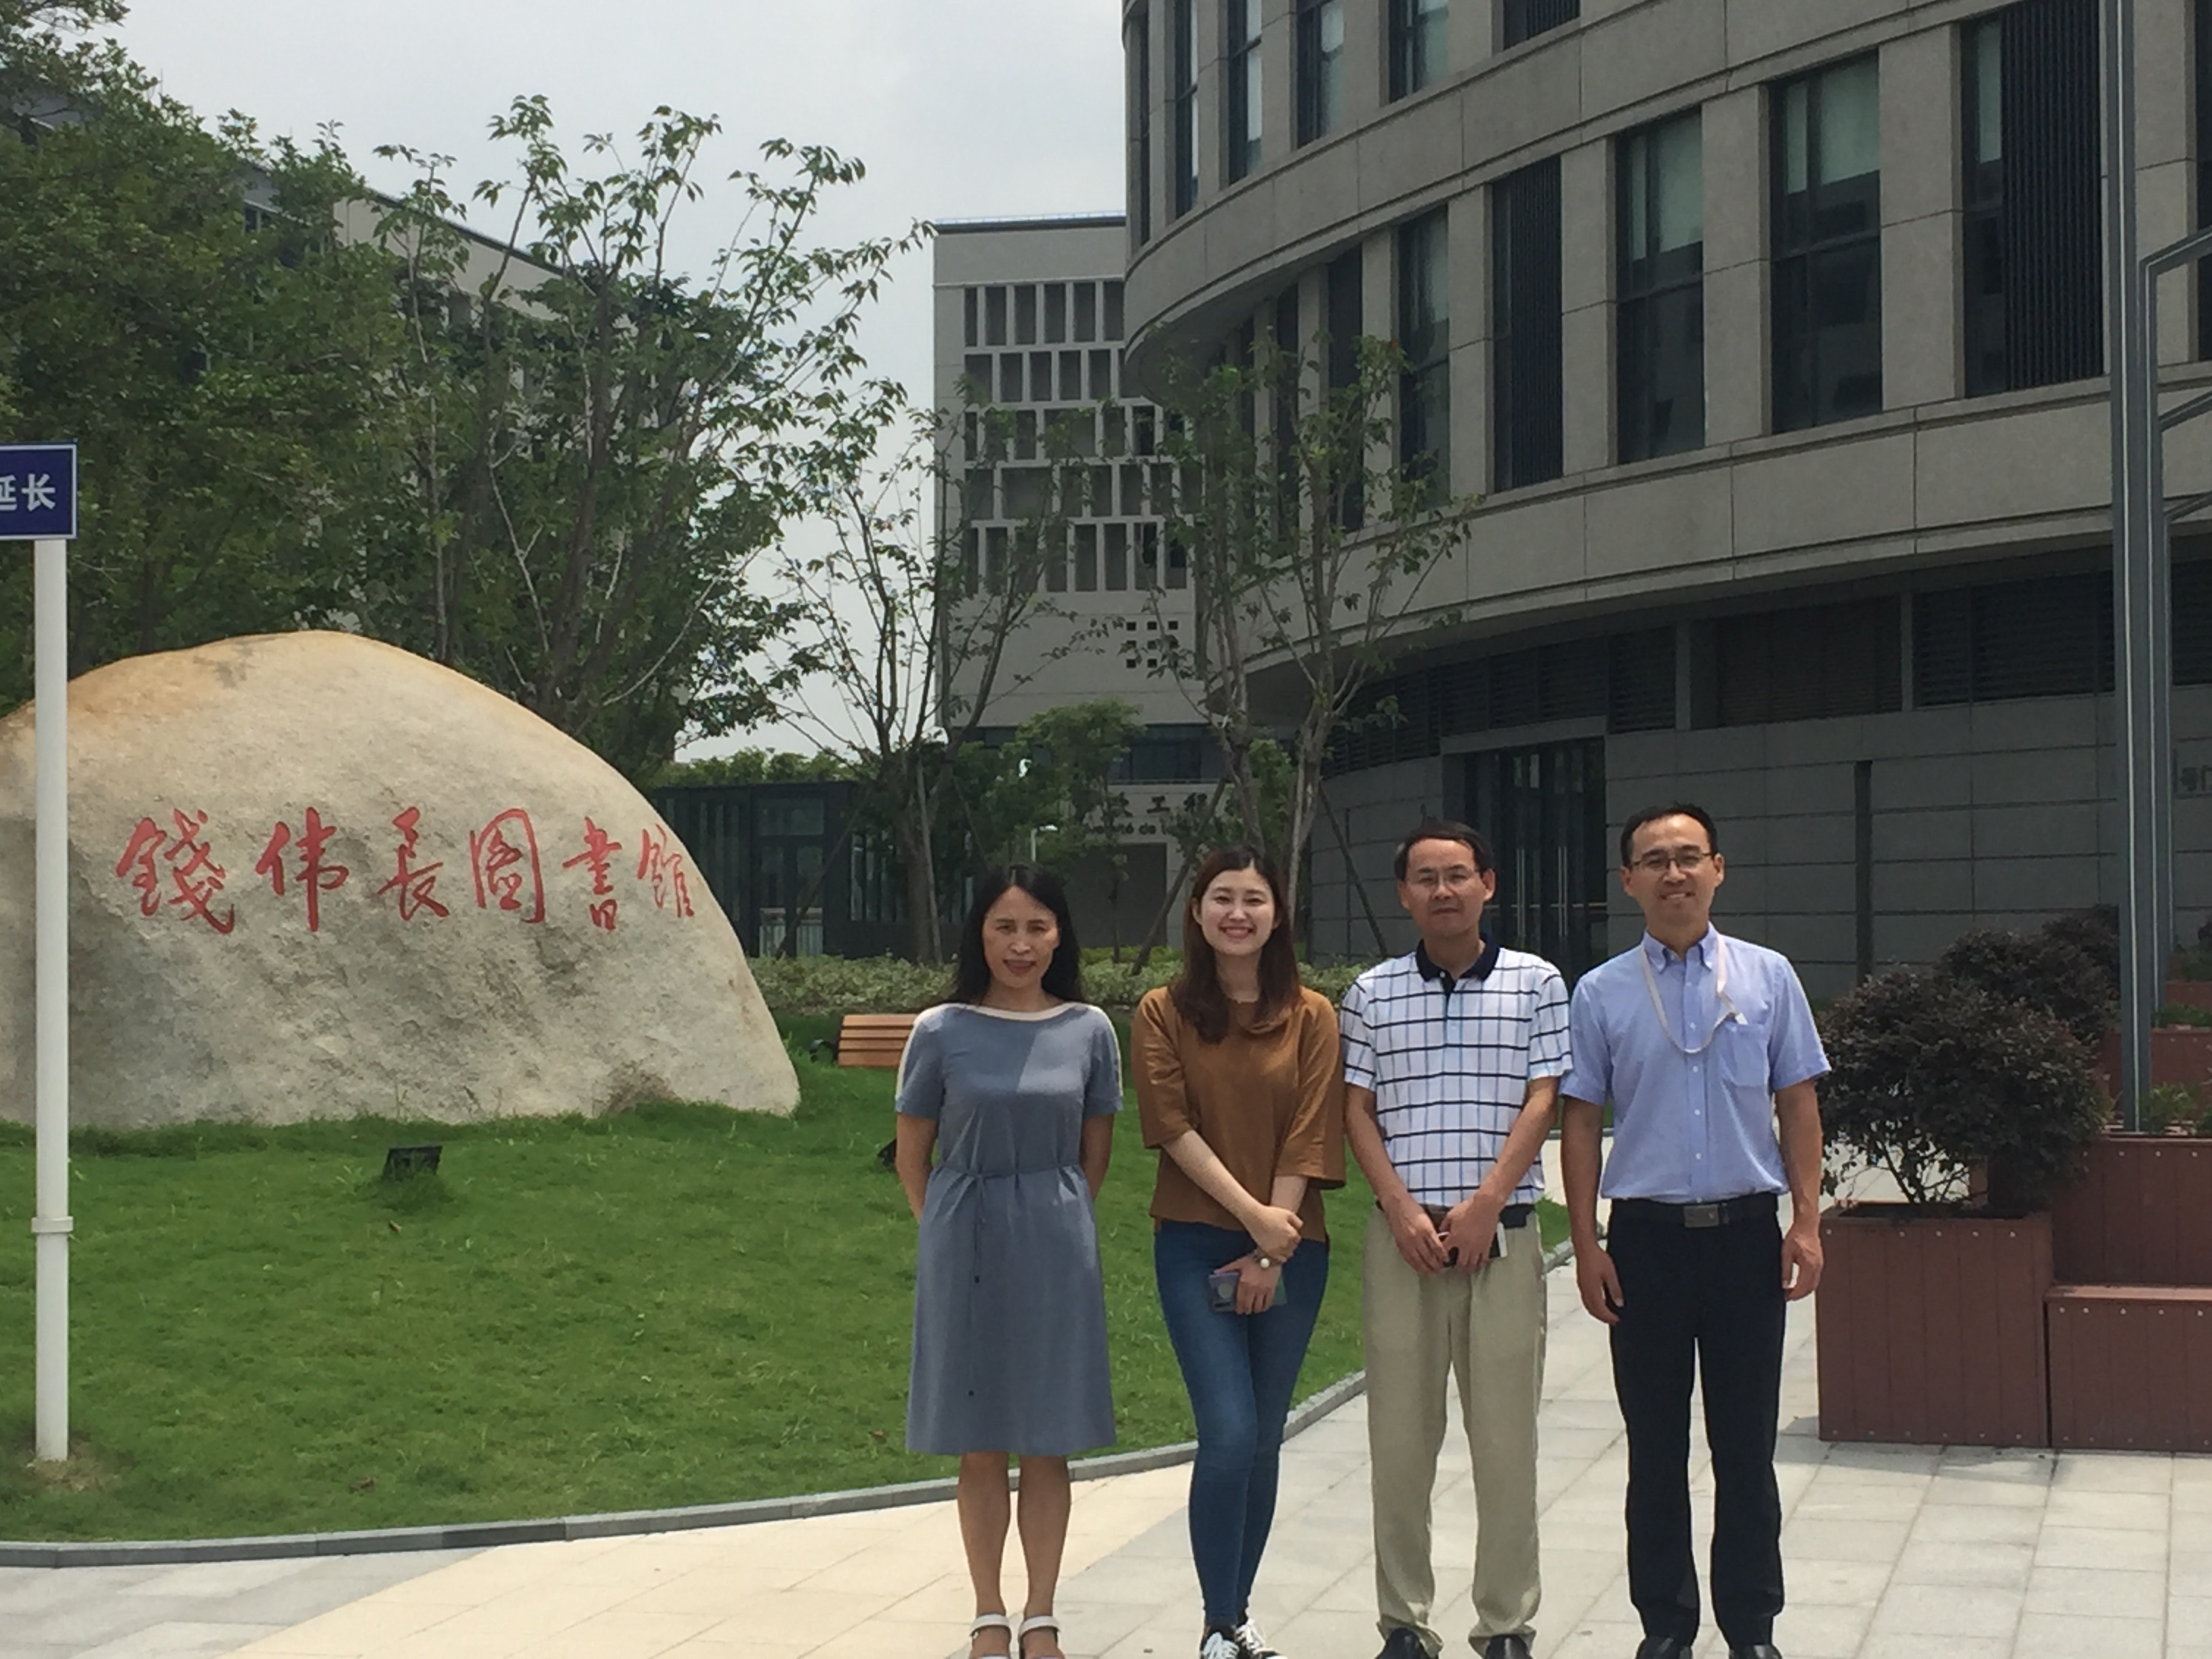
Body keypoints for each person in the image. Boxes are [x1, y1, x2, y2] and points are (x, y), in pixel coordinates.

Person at [1558, 804, 1828, 1659]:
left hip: (1746, 1239)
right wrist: (1587, 1245)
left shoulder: (1768, 977)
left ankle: (1752, 1627)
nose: (1673, 874)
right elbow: (1579, 1122)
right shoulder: (1599, 993)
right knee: (1655, 1449)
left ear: (1718, 868)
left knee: (1746, 1447)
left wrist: (1808, 1222)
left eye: (1688, 857)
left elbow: (1799, 1103)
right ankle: (1666, 1625)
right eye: (1654, 861)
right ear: (1628, 881)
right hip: (1647, 1244)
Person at [1338, 820, 1570, 1659]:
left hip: (1501, 1240)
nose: (1443, 891)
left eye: (1458, 875)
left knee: (1507, 1447)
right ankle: (1404, 1622)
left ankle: (1505, 1624)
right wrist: (1399, 1207)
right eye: (1426, 878)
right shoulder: (1370, 993)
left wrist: (1487, 1202)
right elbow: (1356, 1109)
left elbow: (1544, 1096)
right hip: (1402, 1243)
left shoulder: (1537, 983)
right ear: (1404, 894)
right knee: (1399, 1446)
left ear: (1488, 884)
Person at [894, 866, 1123, 1659]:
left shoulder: (1090, 1029)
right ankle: (988, 1612)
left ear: (1059, 936)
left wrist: (1055, 1218)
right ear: (980, 935)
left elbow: (1095, 1154)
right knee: (981, 1437)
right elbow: (913, 1155)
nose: (1020, 944)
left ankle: (1042, 1614)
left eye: (1036, 928)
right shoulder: (940, 1030)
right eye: (1004, 927)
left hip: (1055, 1239)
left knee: (1048, 1437)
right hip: (964, 1233)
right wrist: (946, 1229)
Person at [1134, 847, 1347, 1659]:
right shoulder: (1162, 1011)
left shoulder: (1312, 1015)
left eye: (1254, 899)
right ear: (1197, 912)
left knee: (1262, 1437)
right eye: (1221, 898)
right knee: (1226, 1431)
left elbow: (1311, 1131)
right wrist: (1254, 1219)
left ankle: (1234, 1617)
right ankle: (1218, 1622)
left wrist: (1272, 1247)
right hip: (1196, 1242)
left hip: (1293, 1249)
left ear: (1277, 913)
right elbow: (1170, 1124)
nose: (1237, 913)